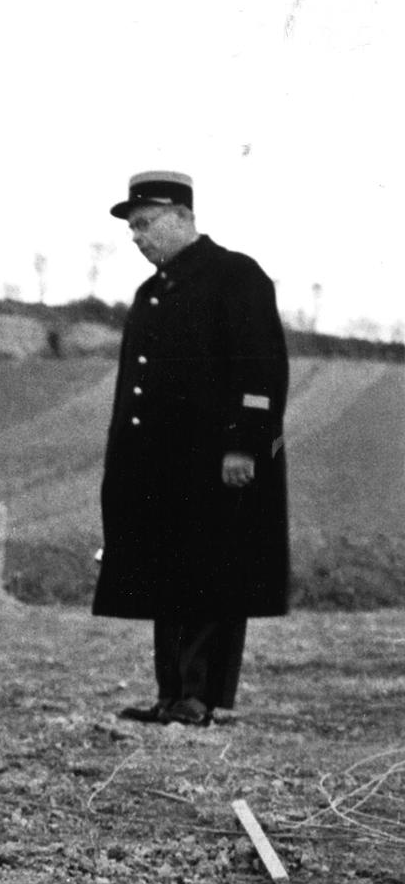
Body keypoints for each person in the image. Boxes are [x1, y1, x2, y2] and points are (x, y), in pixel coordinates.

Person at [93, 170, 290, 726]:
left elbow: (260, 368)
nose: (137, 236)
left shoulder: (236, 276)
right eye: (132, 227)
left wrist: (243, 447)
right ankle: (170, 694)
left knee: (211, 578)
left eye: (146, 223)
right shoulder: (153, 291)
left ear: (183, 217)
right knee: (167, 578)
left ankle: (199, 697)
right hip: (160, 469)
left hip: (214, 463)